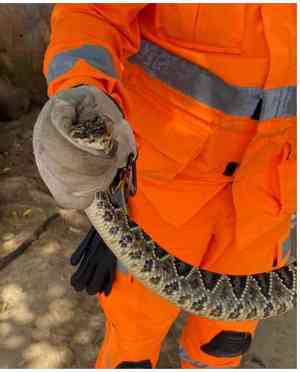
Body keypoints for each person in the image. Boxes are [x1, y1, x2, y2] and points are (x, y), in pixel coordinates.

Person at [33, 4, 296, 369]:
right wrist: (81, 87)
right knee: (133, 344)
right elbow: (92, 11)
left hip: (272, 201)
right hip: (159, 192)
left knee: (224, 344)